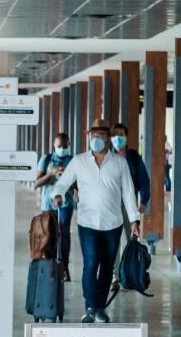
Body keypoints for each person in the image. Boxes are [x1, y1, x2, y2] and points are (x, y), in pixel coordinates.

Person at [52, 122, 141, 324]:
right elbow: (63, 183)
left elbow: (128, 193)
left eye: (101, 135)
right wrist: (57, 195)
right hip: (88, 223)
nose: (97, 139)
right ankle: (90, 306)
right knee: (91, 264)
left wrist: (134, 220)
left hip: (113, 224)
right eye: (94, 135)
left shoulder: (120, 163)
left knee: (107, 267)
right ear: (89, 137)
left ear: (108, 139)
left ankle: (100, 307)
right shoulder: (79, 161)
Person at [34, 133, 77, 278]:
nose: (62, 149)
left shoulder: (73, 161)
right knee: (48, 236)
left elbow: (79, 185)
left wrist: (68, 177)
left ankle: (64, 268)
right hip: (47, 205)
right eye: (59, 146)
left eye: (65, 146)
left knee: (64, 235)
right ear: (54, 145)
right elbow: (37, 183)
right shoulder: (46, 160)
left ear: (69, 145)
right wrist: (51, 174)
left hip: (66, 203)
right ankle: (50, 267)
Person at [112, 122, 153, 215]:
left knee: (130, 224)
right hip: (109, 203)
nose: (117, 137)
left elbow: (143, 180)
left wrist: (143, 201)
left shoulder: (133, 157)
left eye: (121, 134)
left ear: (126, 137)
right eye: (114, 135)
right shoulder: (107, 157)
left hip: (130, 202)